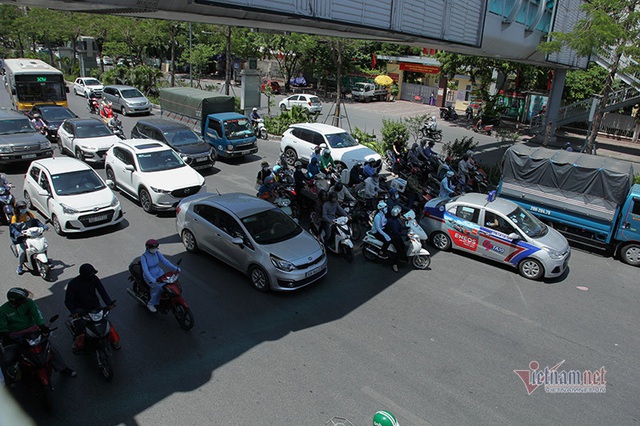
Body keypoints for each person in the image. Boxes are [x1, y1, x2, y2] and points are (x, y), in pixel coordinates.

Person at [0, 288, 76, 382]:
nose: (25, 300)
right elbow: (3, 327)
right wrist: (7, 335)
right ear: (15, 301)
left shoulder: (29, 303)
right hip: (16, 335)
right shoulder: (3, 311)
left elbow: (37, 314)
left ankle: (63, 368)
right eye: (22, 299)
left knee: (50, 349)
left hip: (32, 331)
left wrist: (42, 325)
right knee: (9, 357)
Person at [64, 264, 120, 351]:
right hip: (81, 309)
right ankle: (77, 344)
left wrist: (109, 304)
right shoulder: (73, 284)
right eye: (91, 274)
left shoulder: (94, 279)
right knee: (80, 328)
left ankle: (114, 341)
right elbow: (68, 301)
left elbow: (102, 291)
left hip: (95, 306)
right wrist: (74, 312)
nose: (93, 275)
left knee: (107, 323)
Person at [141, 239, 179, 313]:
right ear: (148, 248)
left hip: (159, 272)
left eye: (156, 248)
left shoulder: (157, 253)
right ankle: (151, 304)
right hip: (149, 275)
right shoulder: (144, 257)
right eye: (153, 248)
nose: (155, 250)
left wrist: (175, 268)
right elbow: (145, 271)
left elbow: (165, 261)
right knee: (159, 288)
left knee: (169, 283)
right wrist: (152, 279)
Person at [10, 200, 46, 275]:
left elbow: (36, 222)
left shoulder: (29, 214)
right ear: (17, 209)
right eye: (21, 208)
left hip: (32, 235)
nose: (24, 209)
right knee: (22, 251)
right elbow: (13, 228)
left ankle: (47, 260)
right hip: (22, 238)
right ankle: (20, 266)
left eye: (24, 207)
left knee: (42, 246)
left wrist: (43, 226)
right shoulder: (15, 218)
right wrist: (18, 233)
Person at [385, 205, 409, 272]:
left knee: (403, 246)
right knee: (398, 250)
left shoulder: (396, 220)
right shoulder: (392, 222)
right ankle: (394, 265)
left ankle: (404, 258)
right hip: (393, 237)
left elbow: (400, 227)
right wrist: (406, 234)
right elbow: (396, 232)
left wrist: (408, 227)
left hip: (397, 236)